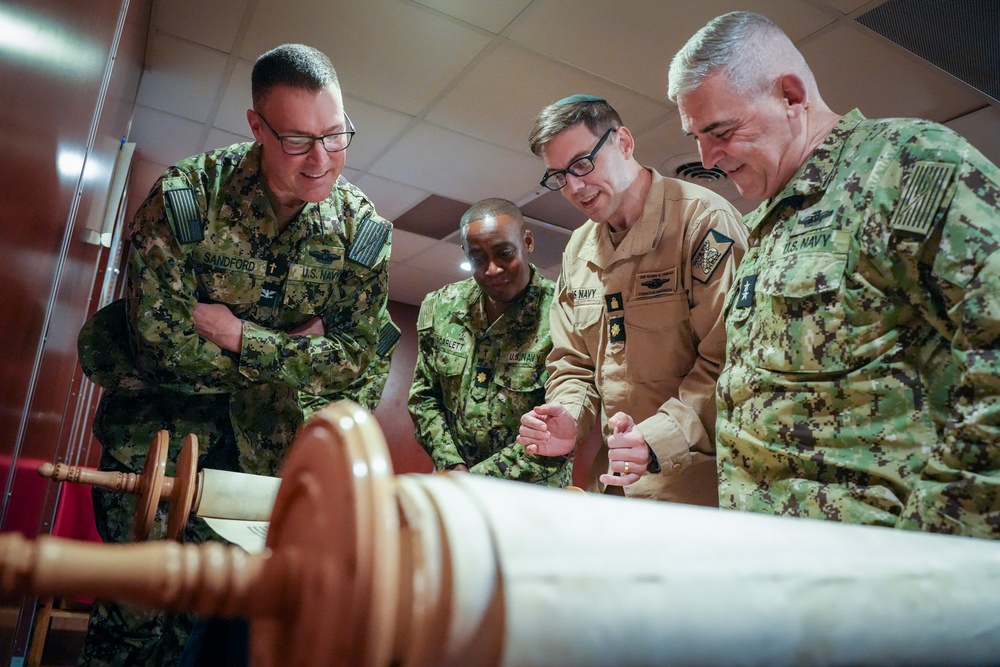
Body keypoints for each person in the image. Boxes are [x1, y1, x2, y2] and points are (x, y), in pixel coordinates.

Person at [75, 43, 396, 665]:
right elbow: (160, 345)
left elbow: (352, 361)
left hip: (257, 477)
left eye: (336, 135)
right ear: (257, 126)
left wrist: (234, 334)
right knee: (131, 629)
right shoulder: (186, 197)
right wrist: (291, 356)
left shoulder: (361, 233)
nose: (322, 160)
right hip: (155, 451)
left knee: (217, 636)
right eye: (298, 140)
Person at [668, 11, 1000, 537]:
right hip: (786, 564)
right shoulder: (768, 227)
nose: (707, 157)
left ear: (792, 96)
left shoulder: (903, 164)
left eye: (721, 131)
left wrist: (934, 545)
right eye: (697, 137)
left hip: (882, 573)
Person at [517, 95, 748, 504]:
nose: (573, 187)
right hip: (616, 482)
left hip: (697, 489)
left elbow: (730, 360)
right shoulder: (579, 249)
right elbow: (573, 362)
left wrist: (659, 437)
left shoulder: (704, 223)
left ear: (623, 142)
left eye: (582, 164)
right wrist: (568, 415)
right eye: (558, 176)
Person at [408, 198, 571, 486]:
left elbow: (558, 426)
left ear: (528, 242)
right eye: (477, 258)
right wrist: (453, 468)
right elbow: (424, 398)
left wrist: (474, 482)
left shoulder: (563, 316)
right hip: (453, 488)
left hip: (531, 497)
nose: (492, 269)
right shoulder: (441, 306)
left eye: (504, 253)